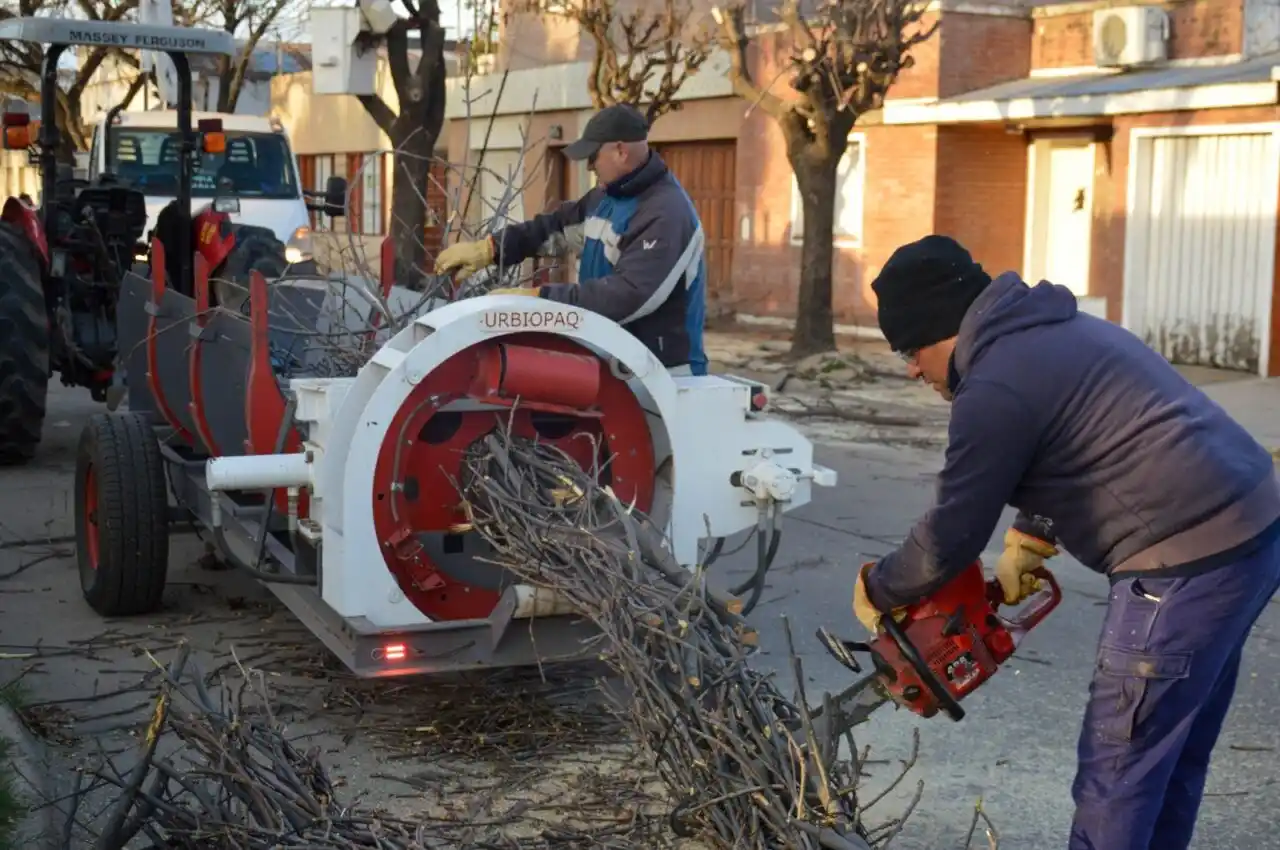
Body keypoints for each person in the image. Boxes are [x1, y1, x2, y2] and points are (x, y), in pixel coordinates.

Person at [849, 234, 1280, 850]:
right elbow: (1078, 432)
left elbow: (951, 535)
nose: (913, 369)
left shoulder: (992, 388)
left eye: (910, 351)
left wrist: (880, 586)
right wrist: (1031, 533)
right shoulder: (1051, 328)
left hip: (1183, 561)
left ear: (942, 329)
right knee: (1170, 752)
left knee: (1121, 769)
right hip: (1252, 527)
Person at [433, 103, 709, 376]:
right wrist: (490, 249)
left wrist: (542, 300)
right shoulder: (606, 197)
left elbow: (628, 295)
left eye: (593, 156)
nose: (589, 166)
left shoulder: (666, 214)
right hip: (615, 361)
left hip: (662, 375)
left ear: (621, 152)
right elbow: (554, 228)